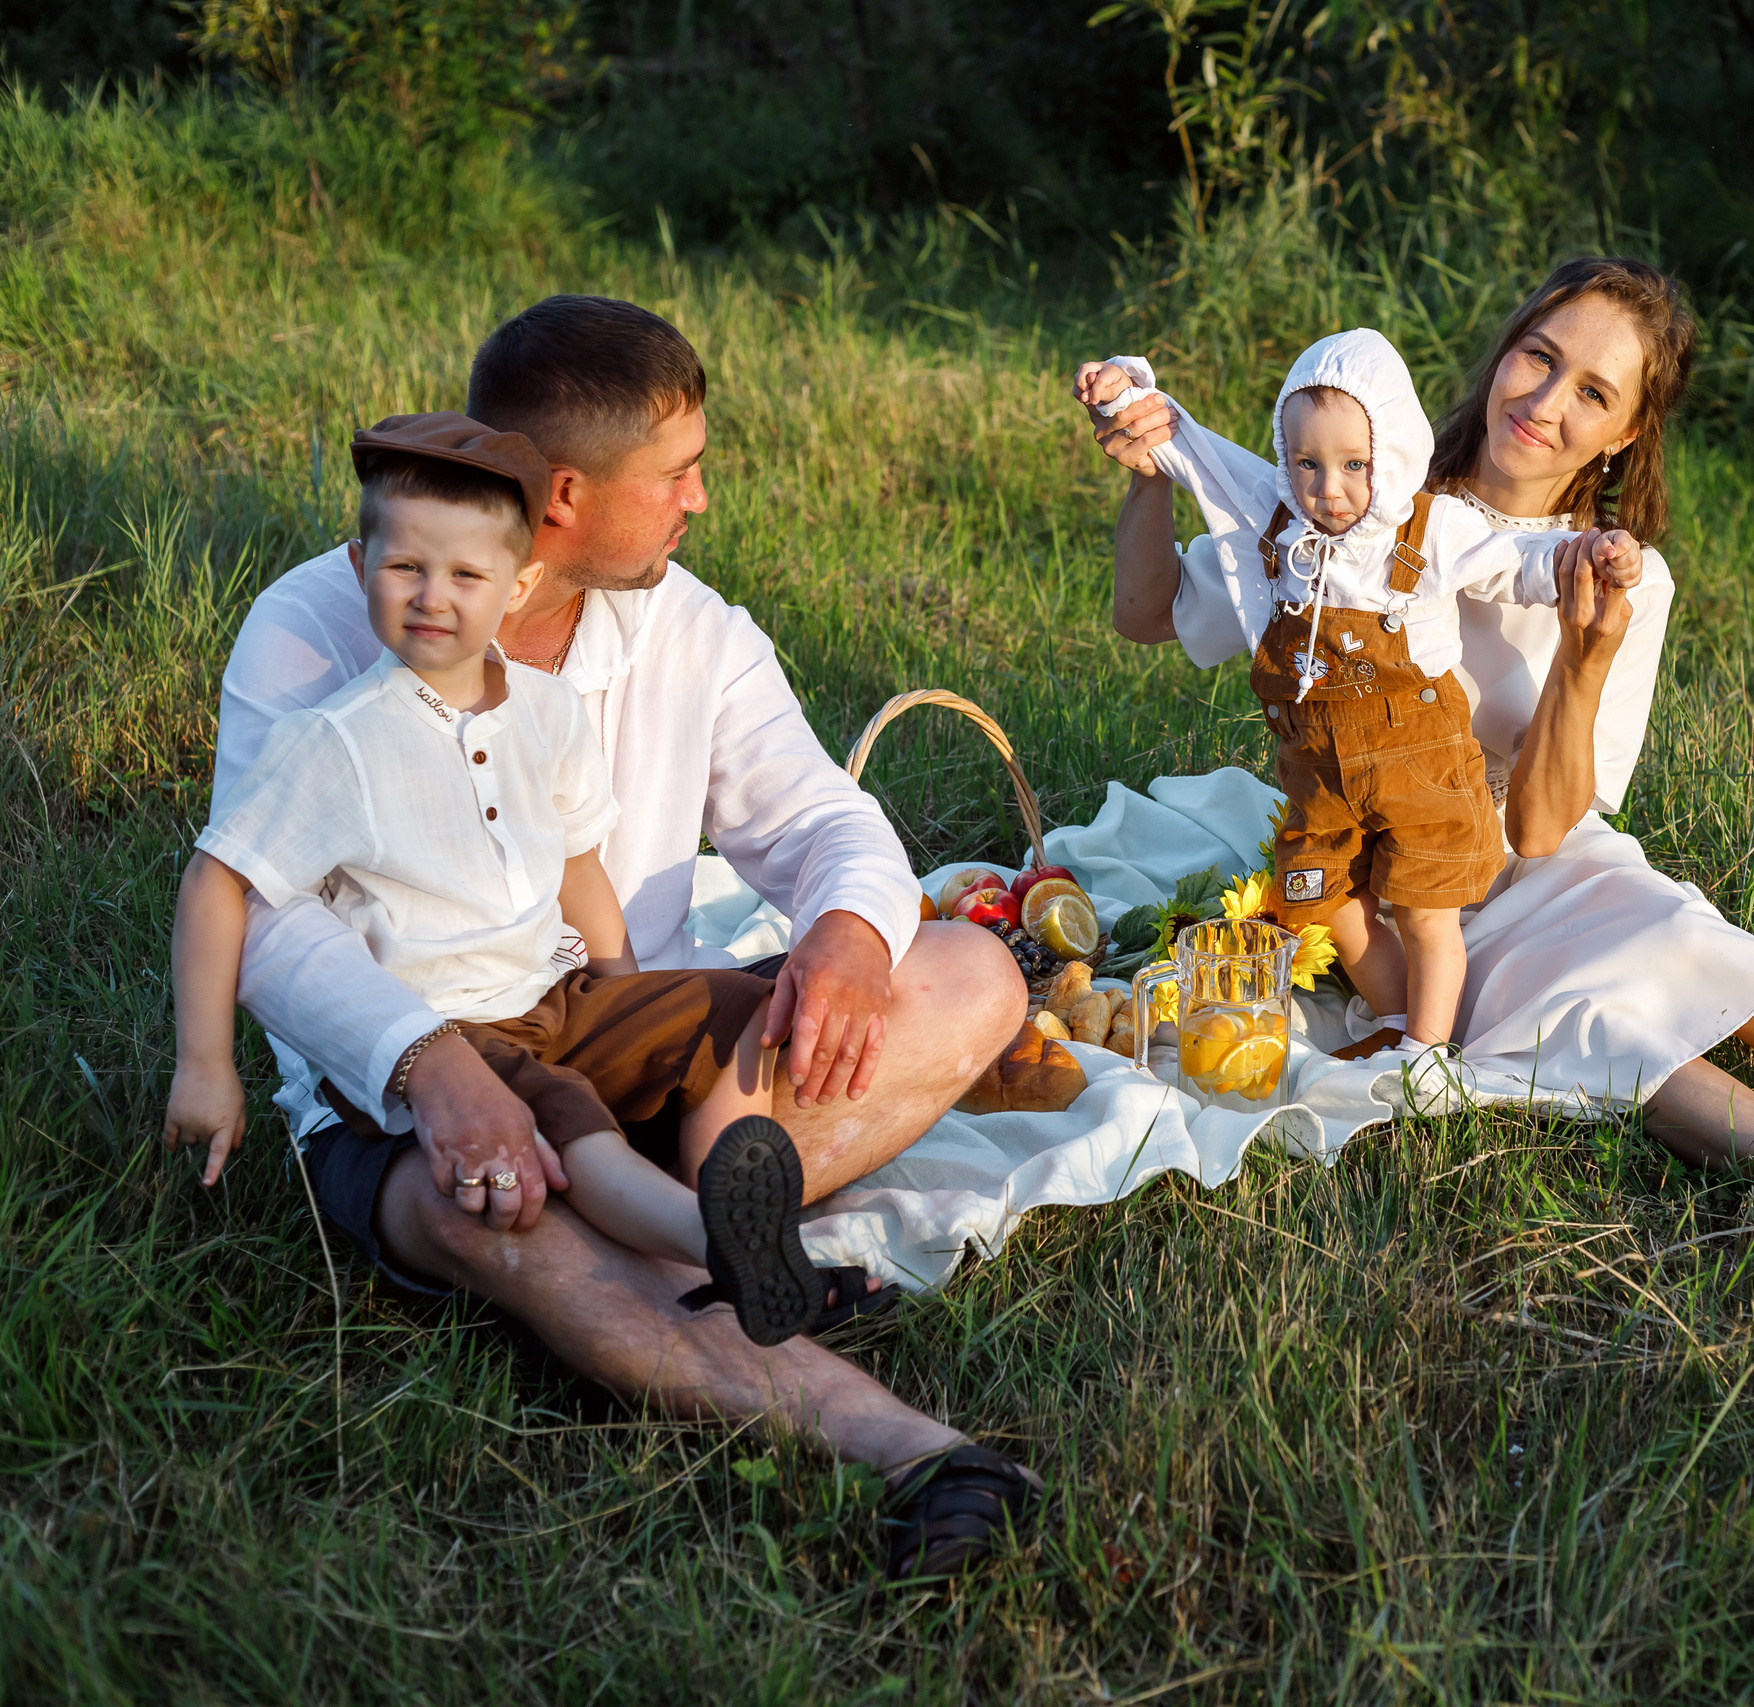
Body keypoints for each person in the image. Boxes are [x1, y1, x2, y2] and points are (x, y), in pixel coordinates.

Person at [210, 297, 1041, 1575]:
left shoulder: (690, 630)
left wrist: (851, 938)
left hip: (622, 1037)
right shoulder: (320, 626)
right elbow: (256, 917)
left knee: (970, 971)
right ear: (558, 494)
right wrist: (434, 1071)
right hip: (406, 1100)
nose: (698, 499)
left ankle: (684, 1208)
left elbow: (822, 815)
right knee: (509, 1212)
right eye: (673, 474)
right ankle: (915, 1450)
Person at [1085, 258, 1754, 1258]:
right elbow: (1144, 616)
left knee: (1680, 933)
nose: (1545, 402)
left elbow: (1546, 827)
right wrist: (1149, 477)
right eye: (1539, 356)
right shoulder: (1350, 492)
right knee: (1581, 1015)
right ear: (1504, 351)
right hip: (1396, 874)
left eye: (1593, 393)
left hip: (1536, 849)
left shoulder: (1617, 577)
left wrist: (1587, 655)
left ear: (1624, 434)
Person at [169, 414, 841, 1346]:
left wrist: (623, 991)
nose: (432, 597)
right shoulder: (335, 740)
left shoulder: (548, 713)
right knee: (573, 1126)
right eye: (406, 568)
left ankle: (729, 1189)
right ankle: (711, 1240)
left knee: (732, 1008)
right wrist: (204, 1064)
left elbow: (578, 865)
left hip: (550, 997)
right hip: (438, 1031)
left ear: (519, 583)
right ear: (360, 566)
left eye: (467, 575)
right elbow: (218, 883)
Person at [1075, 329, 1641, 1070]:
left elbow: (1516, 563)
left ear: (1393, 456)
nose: (1327, 488)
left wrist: (1584, 555)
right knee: (1329, 899)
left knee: (1423, 909)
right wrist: (1124, 393)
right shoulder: (1284, 521)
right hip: (1320, 770)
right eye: (1306, 463)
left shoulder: (1429, 527)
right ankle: (1404, 1018)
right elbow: (1199, 454)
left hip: (1420, 764)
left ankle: (1427, 1055)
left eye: (1352, 465)